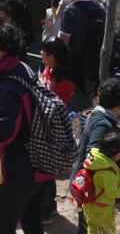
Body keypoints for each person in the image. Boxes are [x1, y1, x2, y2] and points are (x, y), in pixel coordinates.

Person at [0, 16, 51, 233]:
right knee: (31, 220)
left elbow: (4, 133)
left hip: (21, 166)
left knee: (3, 226)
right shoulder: (20, 67)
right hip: (38, 160)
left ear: (4, 49)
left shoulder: (7, 84)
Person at [70, 77, 120, 234]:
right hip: (92, 191)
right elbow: (93, 156)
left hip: (87, 187)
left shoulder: (97, 114)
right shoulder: (102, 124)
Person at [39, 37, 75, 224]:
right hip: (42, 124)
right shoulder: (48, 69)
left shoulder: (65, 81)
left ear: (51, 57)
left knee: (47, 169)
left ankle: (45, 210)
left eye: (43, 52)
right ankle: (49, 207)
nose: (40, 54)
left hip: (54, 128)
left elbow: (56, 105)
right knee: (45, 169)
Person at [81, 132, 120, 234]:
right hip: (103, 209)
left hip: (88, 205)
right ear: (114, 151)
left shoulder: (93, 162)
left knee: (92, 229)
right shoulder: (108, 172)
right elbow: (112, 193)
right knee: (109, 231)